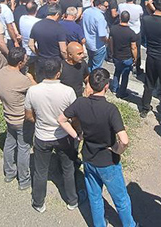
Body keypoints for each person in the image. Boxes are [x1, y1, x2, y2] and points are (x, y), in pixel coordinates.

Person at [58, 68, 135, 227]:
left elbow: (61, 119)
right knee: (121, 199)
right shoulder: (110, 110)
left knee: (94, 197)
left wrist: (77, 135)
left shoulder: (80, 103)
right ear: (106, 86)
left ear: (90, 84)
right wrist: (116, 150)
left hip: (88, 157)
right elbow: (124, 140)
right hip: (108, 162)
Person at [25, 58, 78, 213]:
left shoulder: (33, 91)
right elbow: (74, 116)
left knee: (40, 171)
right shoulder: (68, 91)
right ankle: (72, 200)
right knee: (68, 169)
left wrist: (40, 122)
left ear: (42, 72)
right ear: (59, 73)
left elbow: (28, 116)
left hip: (42, 136)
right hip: (63, 136)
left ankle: (38, 202)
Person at [0, 48, 35, 190]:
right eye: (25, 59)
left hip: (8, 116)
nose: (26, 60)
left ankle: (9, 173)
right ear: (20, 63)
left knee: (9, 144)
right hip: (21, 120)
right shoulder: (22, 80)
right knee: (24, 148)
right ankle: (24, 180)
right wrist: (30, 77)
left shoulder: (1, 72)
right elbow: (37, 89)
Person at [107, 10, 138, 99]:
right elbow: (133, 47)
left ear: (120, 18)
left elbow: (111, 42)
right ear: (129, 19)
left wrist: (112, 52)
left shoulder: (113, 29)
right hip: (127, 57)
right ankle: (122, 92)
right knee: (125, 75)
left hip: (117, 56)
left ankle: (114, 88)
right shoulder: (131, 33)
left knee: (117, 72)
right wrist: (135, 58)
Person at [82, 0, 110, 71]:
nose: (107, 8)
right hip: (98, 45)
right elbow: (102, 35)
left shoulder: (86, 11)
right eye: (106, 6)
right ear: (100, 6)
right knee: (96, 67)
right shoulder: (100, 17)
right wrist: (107, 41)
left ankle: (88, 75)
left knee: (90, 62)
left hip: (88, 43)